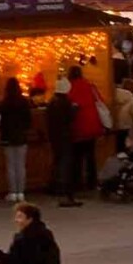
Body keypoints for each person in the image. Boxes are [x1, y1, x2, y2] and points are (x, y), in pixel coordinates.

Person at [67, 65, 104, 191]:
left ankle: (77, 183)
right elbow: (100, 101)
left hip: (78, 126)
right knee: (90, 155)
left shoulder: (70, 88)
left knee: (77, 157)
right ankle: (91, 182)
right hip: (93, 125)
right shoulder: (90, 85)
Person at [46, 77, 81, 207]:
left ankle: (56, 187)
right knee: (66, 165)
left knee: (57, 162)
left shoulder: (51, 102)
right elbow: (70, 118)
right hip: (65, 137)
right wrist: (75, 110)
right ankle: (66, 193)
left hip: (54, 137)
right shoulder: (66, 103)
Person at [0, 78, 32, 203]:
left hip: (8, 136)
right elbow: (28, 120)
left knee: (11, 165)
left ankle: (13, 192)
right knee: (21, 165)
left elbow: (0, 121)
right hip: (21, 136)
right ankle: (21, 192)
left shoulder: (4, 103)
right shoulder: (24, 102)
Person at [115, 78, 133, 153]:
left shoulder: (115, 94)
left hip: (116, 124)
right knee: (126, 145)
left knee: (118, 145)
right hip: (127, 124)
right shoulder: (131, 98)